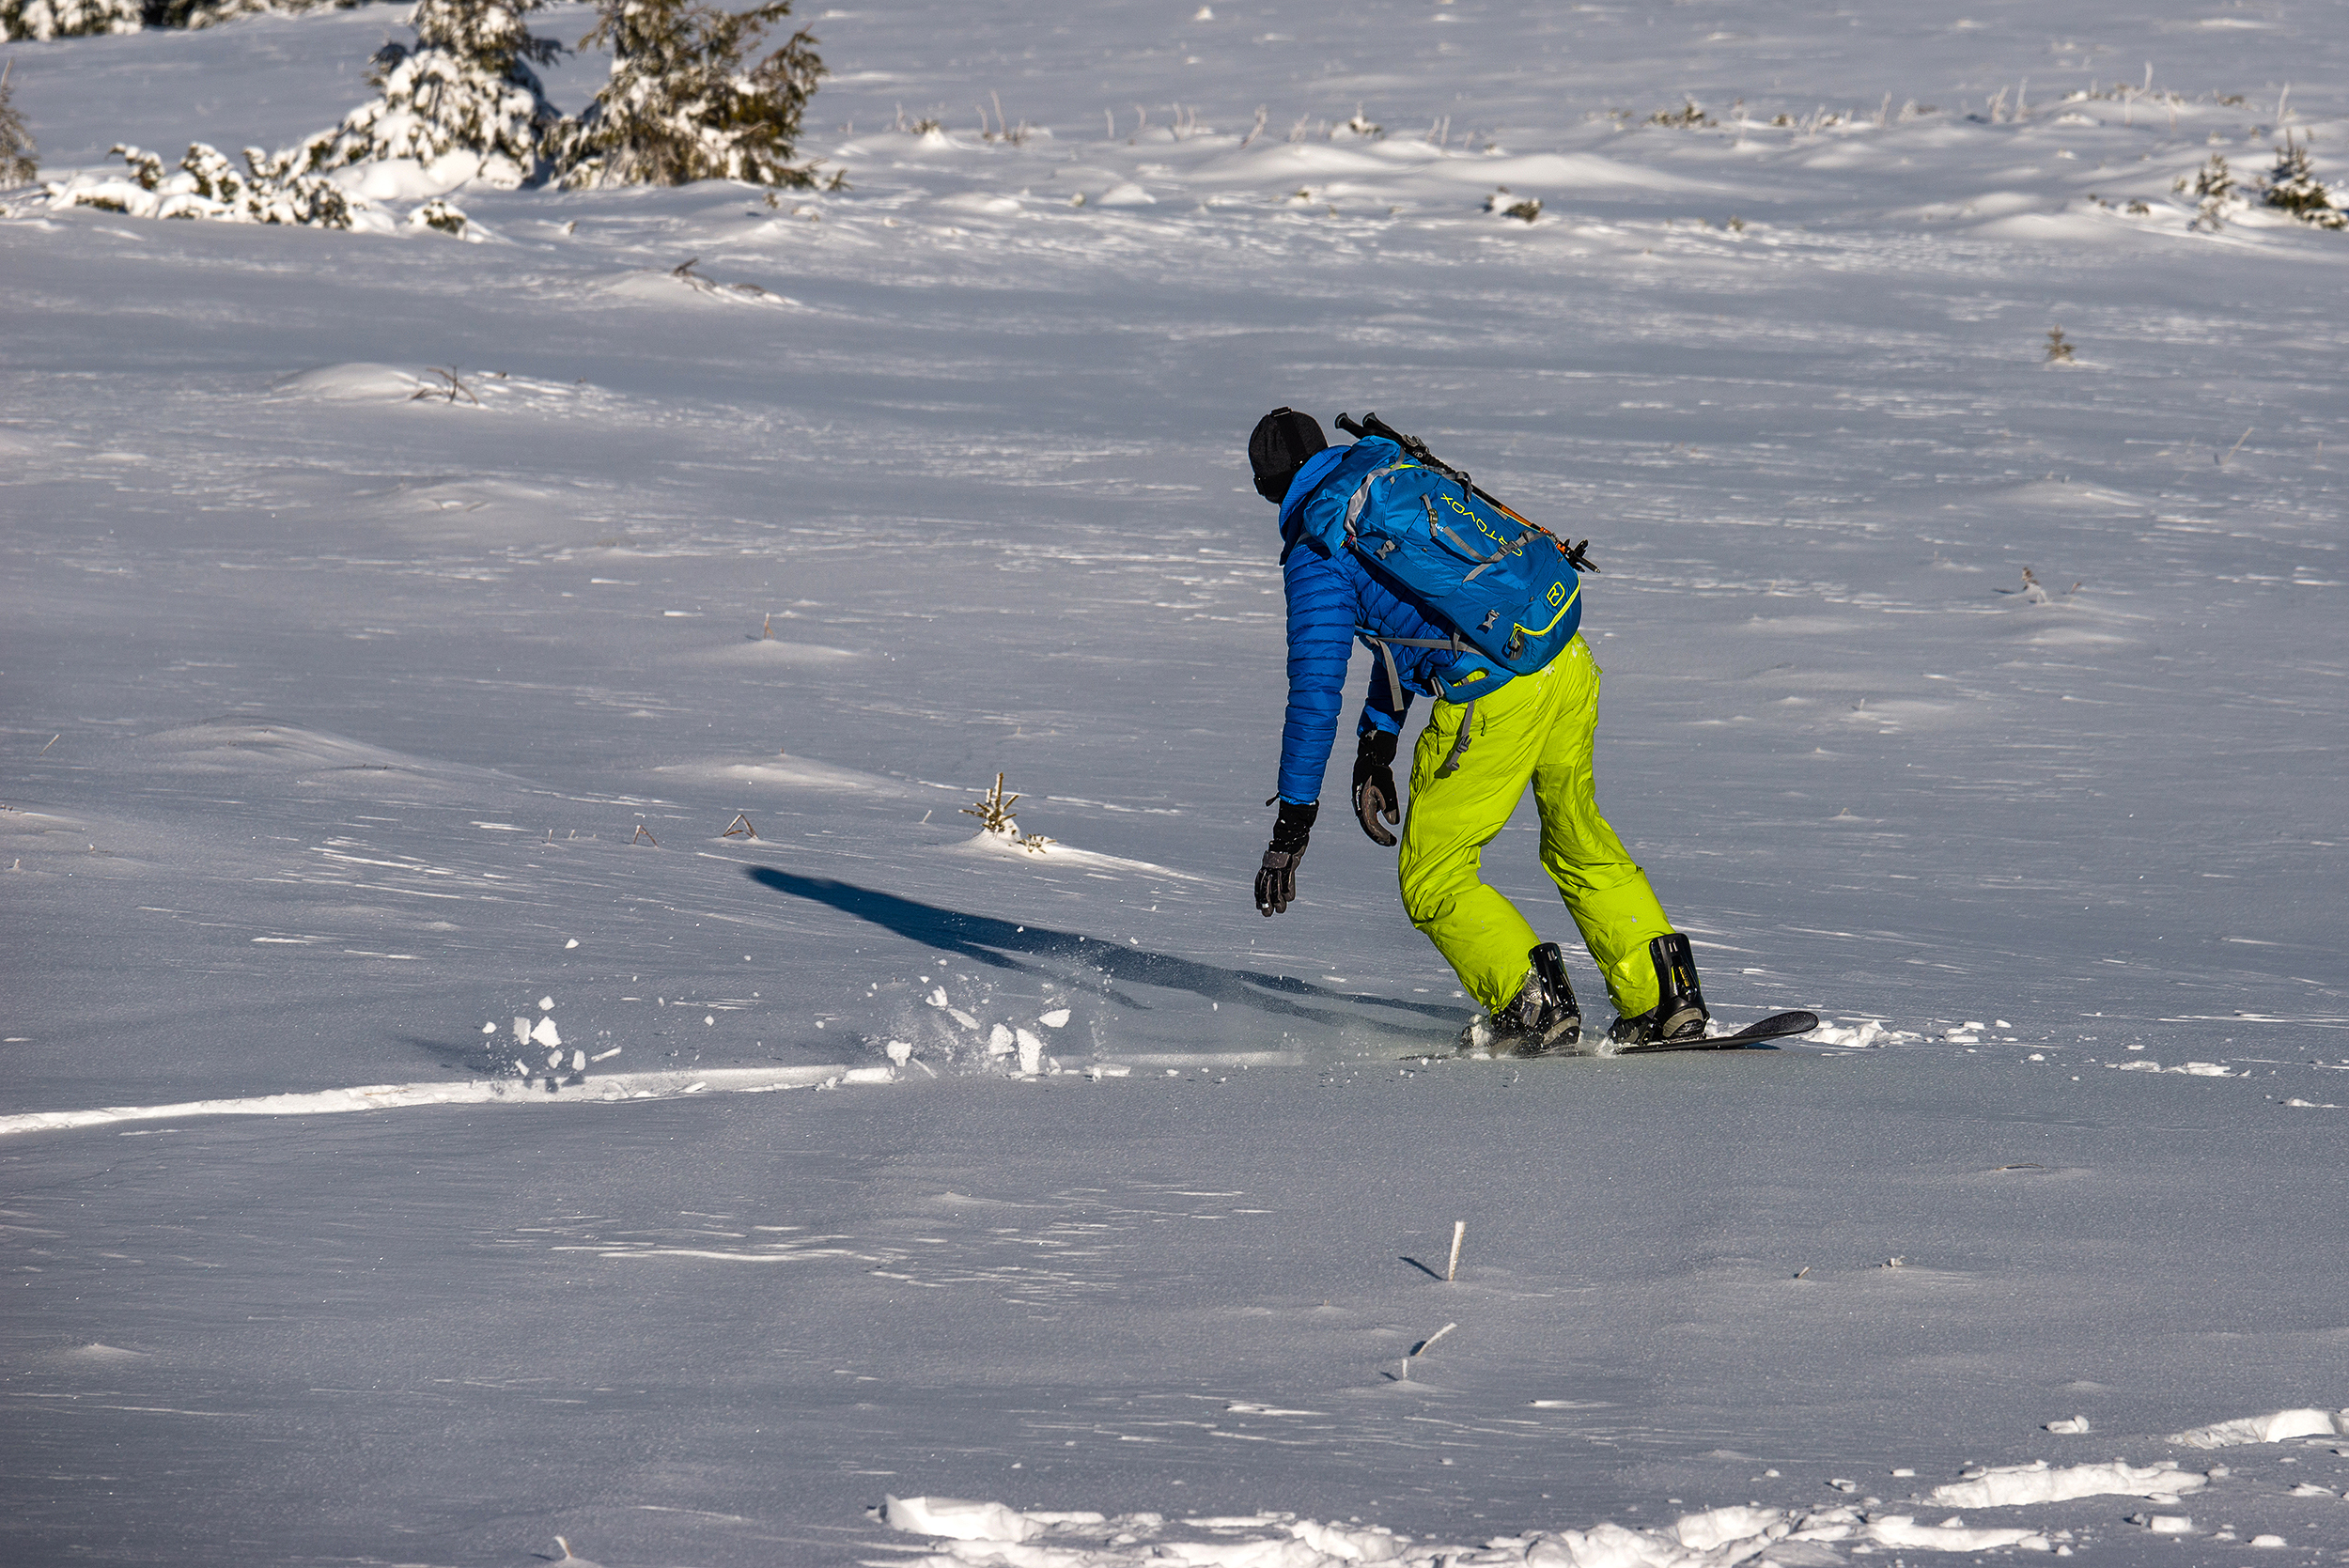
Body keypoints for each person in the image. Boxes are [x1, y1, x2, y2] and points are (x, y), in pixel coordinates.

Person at [1246, 407, 1708, 1053]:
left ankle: (1535, 1005)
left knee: (1433, 872)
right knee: (1576, 831)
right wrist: (1378, 741)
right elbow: (1419, 615)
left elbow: (1314, 692)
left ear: (1269, 487)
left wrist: (1293, 822)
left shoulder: (1318, 545)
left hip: (1496, 694)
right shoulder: (1387, 471)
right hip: (1562, 658)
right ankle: (1666, 998)